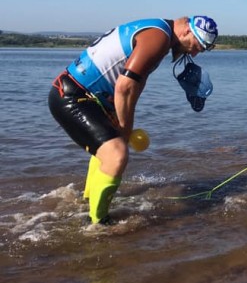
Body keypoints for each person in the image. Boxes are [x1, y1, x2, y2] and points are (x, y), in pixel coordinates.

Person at [48, 15, 218, 224]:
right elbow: (125, 87)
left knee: (109, 146)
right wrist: (125, 129)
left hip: (85, 95)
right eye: (196, 46)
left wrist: (119, 120)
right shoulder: (159, 37)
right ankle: (98, 225)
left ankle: (88, 202)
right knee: (117, 154)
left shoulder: (158, 31)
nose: (193, 53)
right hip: (71, 96)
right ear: (186, 31)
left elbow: (136, 84)